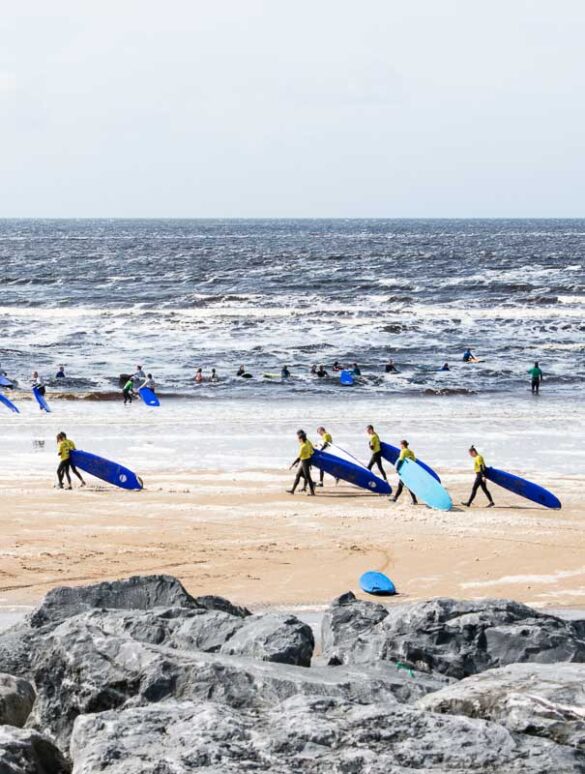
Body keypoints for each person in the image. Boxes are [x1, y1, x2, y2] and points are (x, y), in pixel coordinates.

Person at [287, 430, 315, 495]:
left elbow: (299, 457)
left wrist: (292, 464)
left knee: (308, 477)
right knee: (298, 475)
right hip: (306, 460)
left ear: (301, 439)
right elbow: (312, 450)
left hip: (305, 461)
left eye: (298, 438)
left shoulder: (303, 446)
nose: (298, 440)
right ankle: (292, 490)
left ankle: (312, 492)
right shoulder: (307, 442)